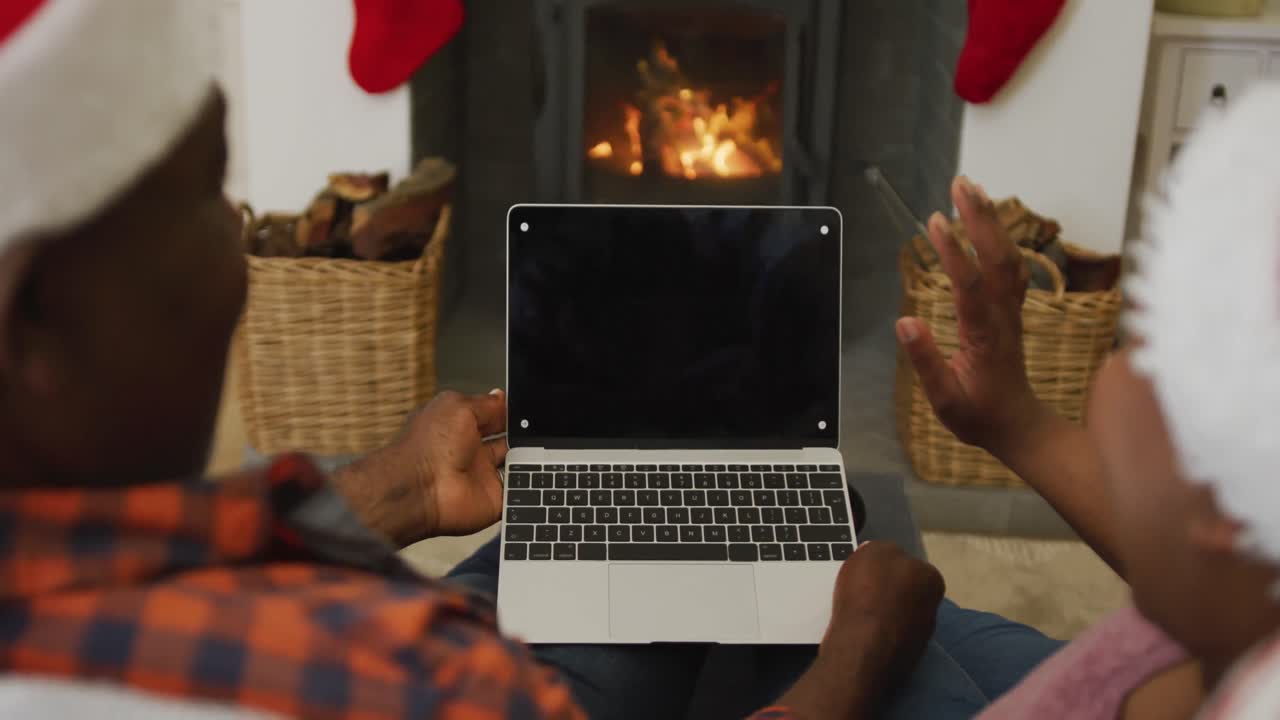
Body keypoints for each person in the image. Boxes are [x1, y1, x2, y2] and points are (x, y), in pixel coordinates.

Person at [0, 2, 953, 718]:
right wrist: (850, 666)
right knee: (886, 603)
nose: (243, 256)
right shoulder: (424, 678)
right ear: (35, 312)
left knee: (581, 542)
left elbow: (173, 551)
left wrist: (405, 489)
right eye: (213, 193)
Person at [893, 83, 1280, 716]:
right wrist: (1021, 426)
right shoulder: (1236, 610)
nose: (1119, 363)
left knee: (810, 640)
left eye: (1143, 340)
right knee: (927, 619)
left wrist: (841, 667)